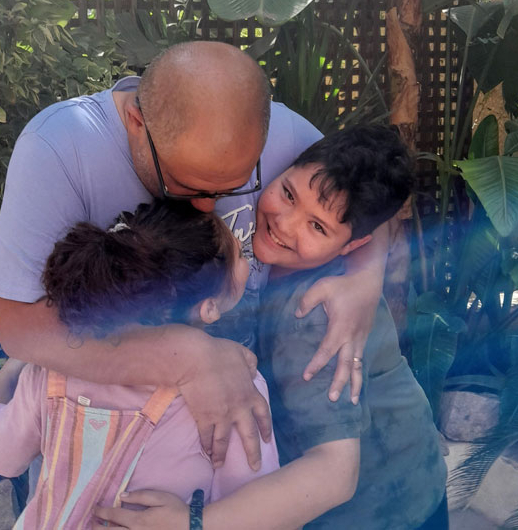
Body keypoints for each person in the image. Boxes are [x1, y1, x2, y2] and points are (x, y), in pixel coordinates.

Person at [0, 41, 392, 470]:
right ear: (136, 121)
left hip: (217, 441)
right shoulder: (60, 146)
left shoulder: (272, 130)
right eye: (186, 186)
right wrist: (189, 357)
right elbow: (20, 328)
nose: (207, 209)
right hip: (90, 446)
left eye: (233, 187)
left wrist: (365, 281)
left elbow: (370, 205)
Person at [95, 124, 448, 530]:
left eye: (318, 227)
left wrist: (194, 523)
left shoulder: (313, 316)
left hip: (386, 511)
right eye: (288, 194)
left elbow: (335, 474)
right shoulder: (261, 257)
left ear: (351, 247)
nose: (285, 223)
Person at [0, 201, 280, 528]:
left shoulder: (52, 373)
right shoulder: (235, 390)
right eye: (240, 254)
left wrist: (14, 368)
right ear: (210, 308)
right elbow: (255, 510)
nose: (245, 259)